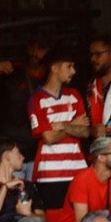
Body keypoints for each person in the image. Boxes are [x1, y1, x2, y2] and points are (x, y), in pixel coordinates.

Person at [29, 48, 91, 210]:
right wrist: (73, 125)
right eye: (69, 66)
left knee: (83, 221)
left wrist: (62, 125)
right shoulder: (37, 99)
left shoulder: (74, 94)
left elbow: (85, 132)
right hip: (50, 174)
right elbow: (48, 137)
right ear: (55, 68)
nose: (74, 71)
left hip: (79, 170)